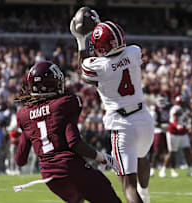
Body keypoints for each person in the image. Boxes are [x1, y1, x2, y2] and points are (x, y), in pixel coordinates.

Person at [70, 13, 154, 203]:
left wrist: (82, 40)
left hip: (123, 124)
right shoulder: (134, 51)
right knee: (142, 156)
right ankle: (146, 194)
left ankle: (142, 196)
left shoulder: (100, 66)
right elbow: (116, 51)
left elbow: (84, 69)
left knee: (128, 186)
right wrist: (100, 27)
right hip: (144, 119)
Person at [15, 61, 121, 203]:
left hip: (49, 176)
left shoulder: (24, 114)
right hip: (70, 167)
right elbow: (74, 142)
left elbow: (20, 160)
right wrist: (103, 158)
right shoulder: (65, 103)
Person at [159, 96, 192, 178]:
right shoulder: (175, 109)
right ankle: (163, 170)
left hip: (183, 133)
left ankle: (190, 170)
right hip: (174, 133)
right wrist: (178, 126)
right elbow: (174, 120)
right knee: (172, 152)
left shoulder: (185, 109)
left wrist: (190, 126)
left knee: (187, 150)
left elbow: (188, 120)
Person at [149, 94, 170, 177]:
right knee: (157, 151)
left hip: (167, 131)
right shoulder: (154, 108)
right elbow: (152, 122)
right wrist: (162, 125)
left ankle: (171, 169)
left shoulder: (168, 107)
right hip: (158, 130)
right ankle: (152, 169)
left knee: (168, 151)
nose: (162, 102)